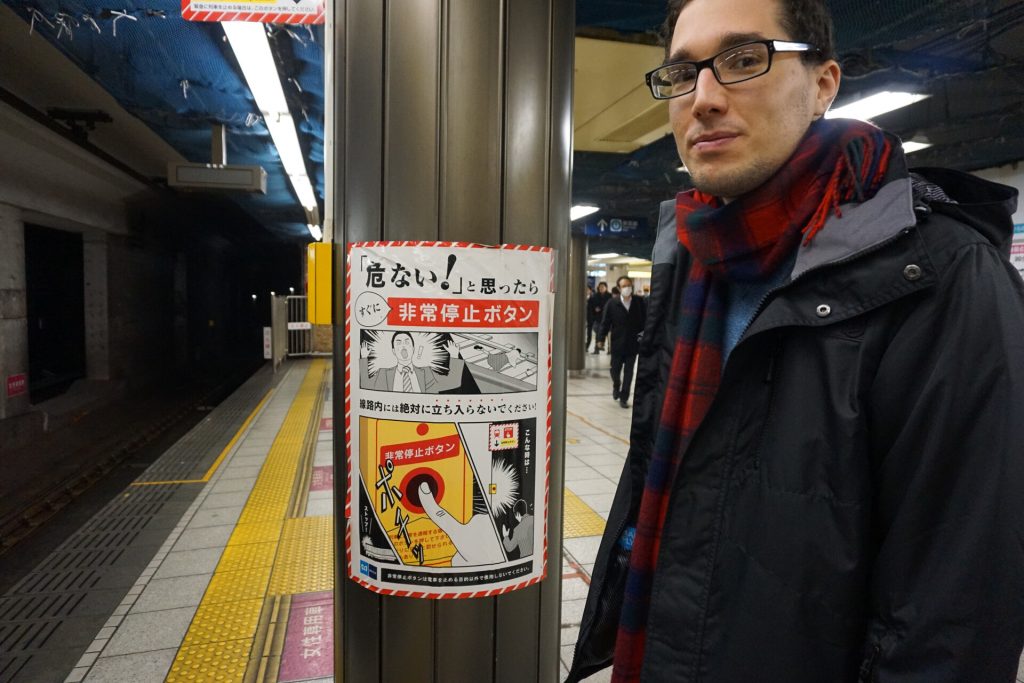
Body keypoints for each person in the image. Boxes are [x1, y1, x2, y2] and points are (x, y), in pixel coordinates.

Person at [568, 0, 1024, 681]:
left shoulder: (942, 280)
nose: (705, 99)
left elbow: (951, 620)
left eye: (744, 60)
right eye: (682, 73)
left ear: (823, 84)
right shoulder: (693, 262)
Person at [597, 276, 646, 408]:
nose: (627, 288)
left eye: (629, 285)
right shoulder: (612, 303)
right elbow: (605, 322)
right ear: (619, 288)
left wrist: (642, 337)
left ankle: (624, 397)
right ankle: (616, 385)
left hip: (633, 344)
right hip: (617, 344)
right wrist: (601, 339)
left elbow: (644, 322)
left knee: (629, 372)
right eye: (624, 286)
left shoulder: (639, 302)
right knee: (615, 370)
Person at [361, 331, 465, 394]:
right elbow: (365, 385)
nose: (403, 346)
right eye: (398, 343)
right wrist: (364, 358)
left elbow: (453, 382)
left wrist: (454, 355)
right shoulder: (383, 373)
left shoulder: (426, 373)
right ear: (393, 350)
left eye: (407, 342)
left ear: (413, 348)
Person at [587, 281, 612, 353]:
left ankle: (609, 349)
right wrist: (595, 308)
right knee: (598, 333)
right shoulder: (595, 296)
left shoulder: (609, 296)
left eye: (603, 287)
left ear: (606, 288)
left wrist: (601, 308)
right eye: (600, 287)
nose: (601, 288)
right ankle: (597, 349)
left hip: (608, 318)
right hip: (597, 318)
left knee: (608, 334)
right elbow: (592, 305)